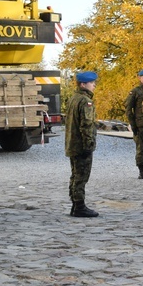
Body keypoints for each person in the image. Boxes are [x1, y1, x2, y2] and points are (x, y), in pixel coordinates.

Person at [65, 71, 99, 218]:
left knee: (75, 174)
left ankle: (75, 204)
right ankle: (79, 206)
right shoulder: (85, 101)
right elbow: (86, 125)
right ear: (83, 84)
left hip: (72, 144)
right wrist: (89, 144)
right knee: (81, 176)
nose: (94, 85)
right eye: (92, 83)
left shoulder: (74, 98)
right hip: (81, 145)